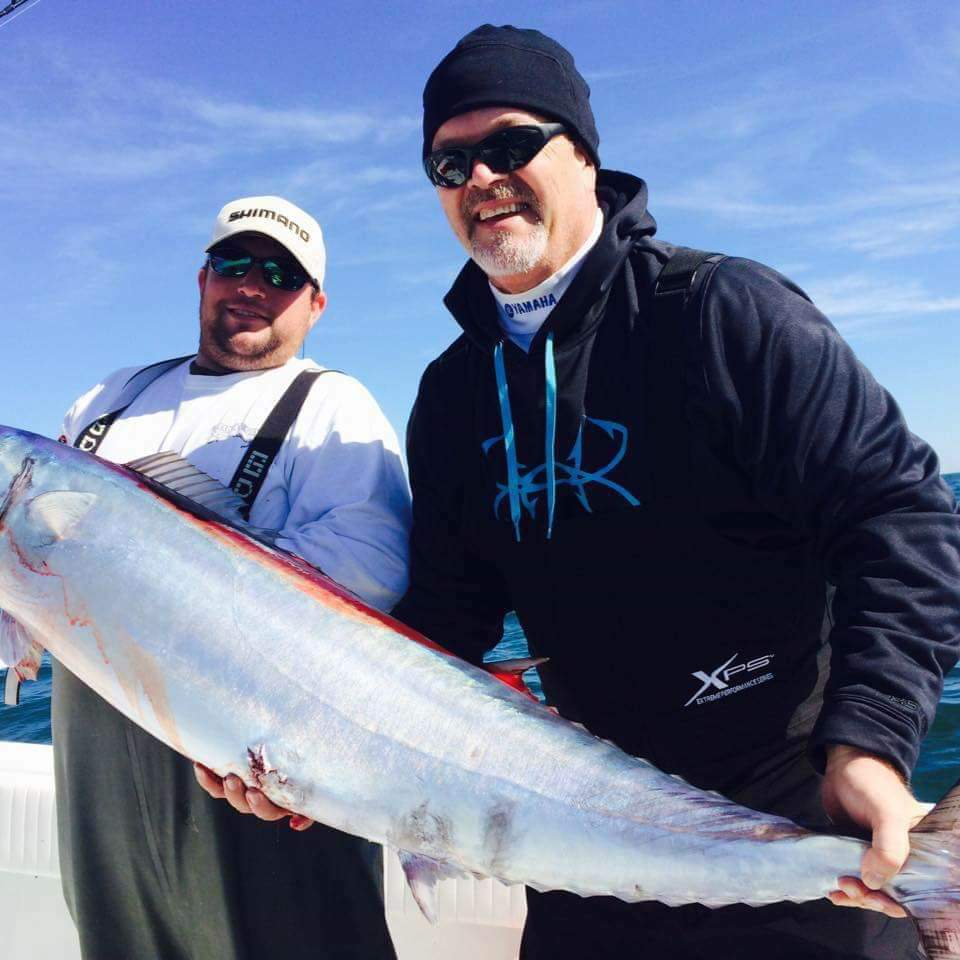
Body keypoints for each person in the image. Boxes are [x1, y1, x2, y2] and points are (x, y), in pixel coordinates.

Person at [391, 24, 960, 960]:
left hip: (798, 823)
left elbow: (897, 515)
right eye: (449, 163)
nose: (479, 178)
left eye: (509, 145)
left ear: (582, 153)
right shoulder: (452, 396)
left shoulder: (721, 313)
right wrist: (295, 755)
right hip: (583, 842)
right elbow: (445, 627)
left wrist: (872, 742)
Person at [53, 195, 409, 960]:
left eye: (280, 273)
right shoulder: (111, 396)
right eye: (234, 263)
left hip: (257, 765)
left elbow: (371, 564)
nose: (252, 283)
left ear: (315, 304)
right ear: (202, 277)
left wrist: (143, 579)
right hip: (99, 777)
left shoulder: (333, 405)